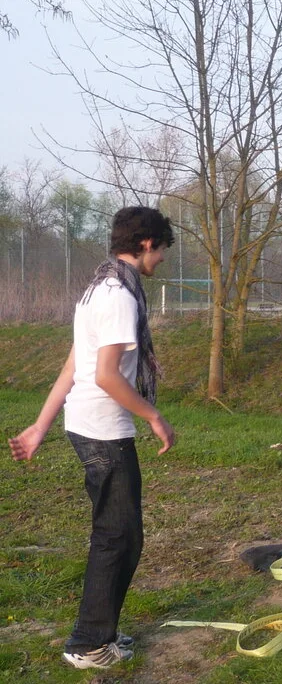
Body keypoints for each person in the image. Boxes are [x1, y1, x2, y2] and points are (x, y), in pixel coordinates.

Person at [8, 206, 176, 670]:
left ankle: (98, 635)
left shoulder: (97, 288)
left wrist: (40, 426)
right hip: (103, 432)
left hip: (86, 426)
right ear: (145, 244)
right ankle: (87, 643)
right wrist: (154, 416)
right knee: (116, 538)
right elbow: (104, 375)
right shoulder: (119, 296)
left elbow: (73, 366)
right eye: (161, 249)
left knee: (125, 536)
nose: (161, 259)